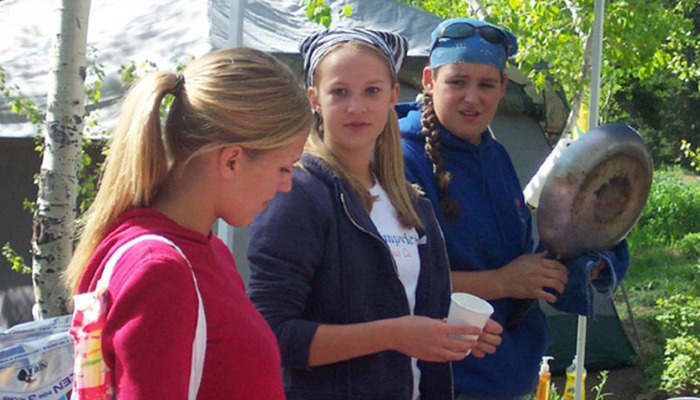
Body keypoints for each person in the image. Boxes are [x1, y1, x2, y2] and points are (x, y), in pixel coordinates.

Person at [246, 28, 503, 400]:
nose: (357, 107)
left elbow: (405, 309)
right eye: (339, 92)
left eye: (372, 91)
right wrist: (396, 335)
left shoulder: (411, 202)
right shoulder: (298, 194)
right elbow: (271, 335)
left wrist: (450, 332)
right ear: (314, 99)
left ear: (393, 97)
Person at [396, 18, 630, 400]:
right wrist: (502, 282)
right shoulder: (402, 160)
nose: (473, 97)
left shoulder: (495, 155)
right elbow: (394, 282)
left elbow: (513, 263)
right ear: (428, 80)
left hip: (506, 372)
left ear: (503, 88)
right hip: (440, 378)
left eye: (486, 84)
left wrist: (572, 265)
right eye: (457, 82)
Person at [64, 47, 313, 399]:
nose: (286, 185)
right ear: (232, 161)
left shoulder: (200, 251)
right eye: (284, 168)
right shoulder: (162, 271)